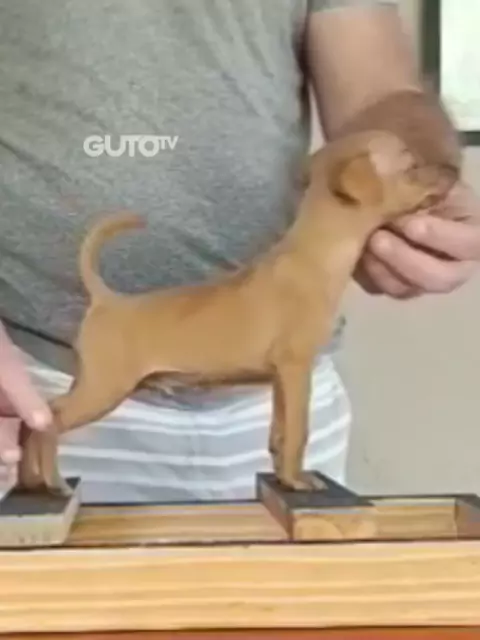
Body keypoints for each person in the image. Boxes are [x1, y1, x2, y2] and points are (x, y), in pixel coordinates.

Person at [0, 0, 479, 503]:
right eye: (408, 171)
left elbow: (380, 93)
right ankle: (41, 445)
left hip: (258, 411)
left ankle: (287, 465)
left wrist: (422, 169)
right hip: (29, 380)